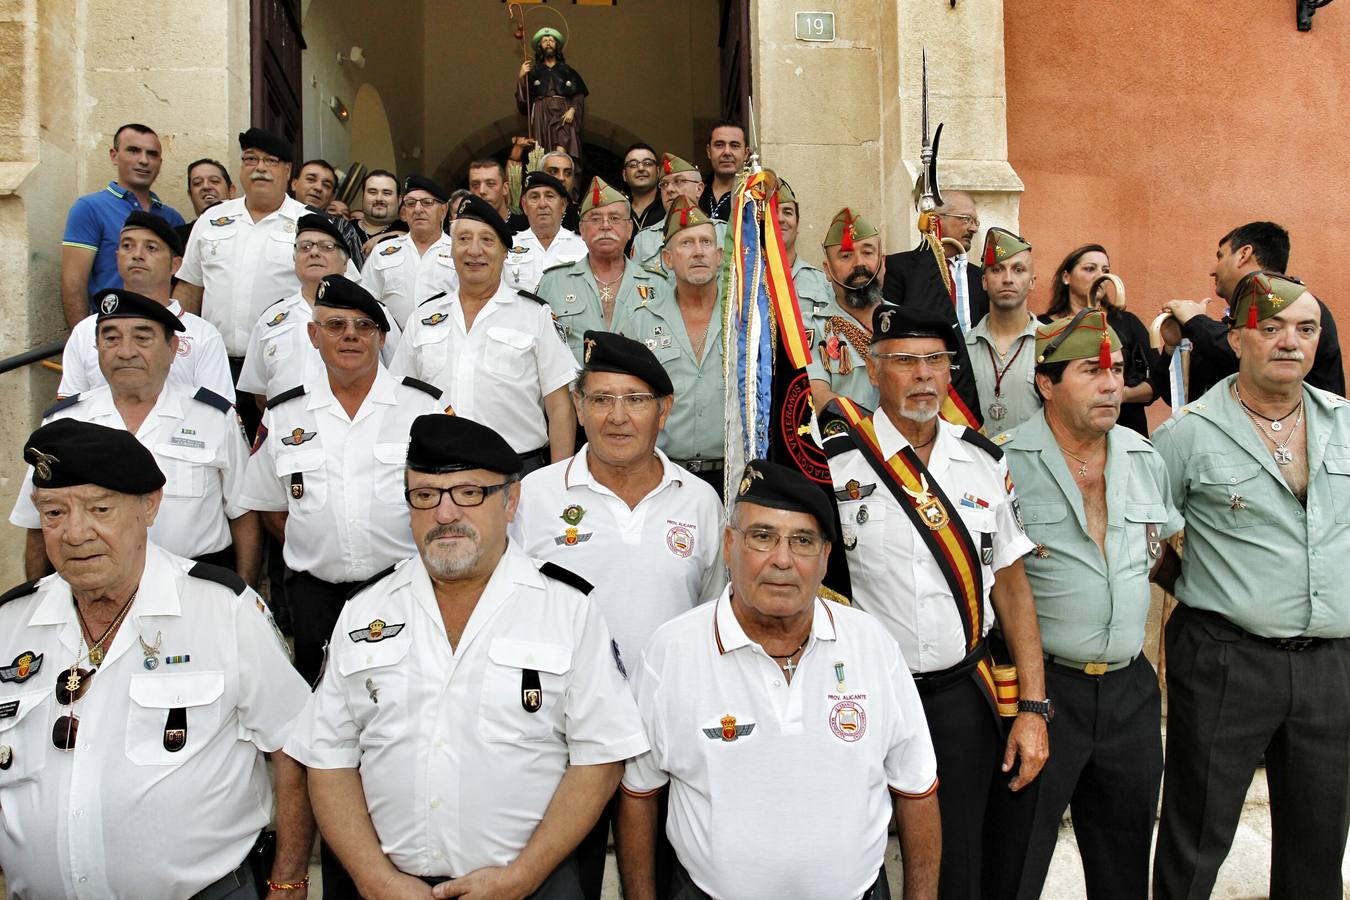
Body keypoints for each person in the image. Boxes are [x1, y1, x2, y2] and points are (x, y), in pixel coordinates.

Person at [285, 412, 647, 898]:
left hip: (530, 885)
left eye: (469, 493)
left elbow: (601, 758)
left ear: (511, 500)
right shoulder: (362, 611)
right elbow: (328, 756)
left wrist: (523, 876)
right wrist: (375, 879)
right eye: (426, 496)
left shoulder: (567, 609)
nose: (446, 514)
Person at [0, 419, 313, 899]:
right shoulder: (11, 624)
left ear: (150, 505)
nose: (75, 532)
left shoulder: (220, 609)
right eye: (54, 512)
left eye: (99, 508)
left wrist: (289, 881)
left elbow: (294, 746)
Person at [617, 458, 941, 900]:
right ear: (730, 544)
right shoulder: (671, 652)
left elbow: (916, 789)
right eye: (763, 537)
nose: (782, 560)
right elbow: (638, 794)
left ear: (826, 558)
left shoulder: (872, 645)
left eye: (803, 541)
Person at [821, 304, 1047, 900]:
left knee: (958, 854)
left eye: (934, 361)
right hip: (860, 692)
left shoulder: (984, 462)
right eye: (903, 362)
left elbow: (1013, 587)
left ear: (951, 372)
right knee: (848, 844)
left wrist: (1034, 705)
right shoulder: (833, 462)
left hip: (956, 695)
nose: (922, 376)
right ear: (873, 371)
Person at [1151, 271, 1350, 899]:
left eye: (1306, 329)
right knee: (1196, 835)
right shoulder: (1186, 435)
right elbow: (1148, 539)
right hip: (1226, 658)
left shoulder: (1345, 425)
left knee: (1319, 845)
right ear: (1236, 339)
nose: (1290, 341)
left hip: (1330, 667)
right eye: (1272, 328)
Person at [513, 330, 725, 900]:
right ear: (577, 408)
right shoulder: (533, 496)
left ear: (665, 410)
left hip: (666, 735)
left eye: (635, 400)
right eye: (601, 399)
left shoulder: (699, 501)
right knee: (558, 883)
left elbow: (710, 616)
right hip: (557, 736)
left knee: (658, 881)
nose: (617, 416)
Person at [987, 308, 1182, 900]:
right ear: (1045, 384)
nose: (1110, 384)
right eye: (1089, 371)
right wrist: (1030, 702)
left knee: (1124, 868)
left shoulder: (1144, 456)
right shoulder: (1000, 462)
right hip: (1042, 691)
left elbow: (1162, 555)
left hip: (1129, 691)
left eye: (1118, 370)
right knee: (1014, 865)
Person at [239, 274, 442, 685]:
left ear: (382, 338)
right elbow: (271, 507)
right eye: (336, 325)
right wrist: (321, 546)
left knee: (411, 693)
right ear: (314, 335)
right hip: (316, 595)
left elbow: (448, 499)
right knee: (318, 696)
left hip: (406, 588)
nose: (351, 336)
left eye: (364, 326)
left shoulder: (424, 408)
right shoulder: (283, 416)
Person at [13, 289, 258, 582]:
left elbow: (243, 514)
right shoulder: (64, 422)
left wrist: (244, 591)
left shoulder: (215, 418)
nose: (125, 351)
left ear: (172, 348)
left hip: (195, 582)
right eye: (111, 338)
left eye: (142, 338)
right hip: (92, 586)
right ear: (97, 347)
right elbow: (37, 522)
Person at [390, 195, 579, 471]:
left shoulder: (534, 315)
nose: (474, 251)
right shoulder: (422, 318)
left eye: (487, 241)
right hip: (438, 472)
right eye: (464, 239)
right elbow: (401, 398)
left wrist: (558, 482)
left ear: (505, 252)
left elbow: (560, 406)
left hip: (517, 472)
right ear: (451, 249)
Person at [1158, 221, 1345, 401]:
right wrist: (1173, 346)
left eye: (1220, 256)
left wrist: (1196, 321)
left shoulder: (1300, 306)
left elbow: (1251, 356)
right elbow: (1181, 395)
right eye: (1271, 329)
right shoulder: (1230, 322)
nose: (1212, 270)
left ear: (1244, 254)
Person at [59, 210, 234, 402]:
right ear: (117, 256)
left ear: (175, 265)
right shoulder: (85, 331)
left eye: (151, 248)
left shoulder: (203, 335)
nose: (137, 255)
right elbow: (69, 411)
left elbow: (215, 416)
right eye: (127, 246)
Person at [173, 128, 310, 365]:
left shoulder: (310, 223)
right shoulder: (211, 219)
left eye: (271, 161)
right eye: (250, 159)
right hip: (214, 362)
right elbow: (189, 290)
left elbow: (333, 294)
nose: (260, 168)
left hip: (286, 362)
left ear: (287, 171)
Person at [620, 198, 725, 493]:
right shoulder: (641, 320)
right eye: (686, 243)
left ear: (719, 256)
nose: (698, 252)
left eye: (706, 242)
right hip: (662, 473)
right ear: (667, 259)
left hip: (732, 473)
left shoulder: (743, 320)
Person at [239, 213, 401, 404]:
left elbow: (398, 375)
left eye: (326, 247)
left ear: (345, 261)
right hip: (292, 429)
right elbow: (260, 393)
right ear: (294, 258)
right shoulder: (271, 318)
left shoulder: (375, 312)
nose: (313, 253)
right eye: (304, 247)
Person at [61, 123, 185, 327]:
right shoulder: (89, 208)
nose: (143, 160)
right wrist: (85, 341)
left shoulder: (172, 219)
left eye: (152, 154)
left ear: (160, 163)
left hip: (161, 333)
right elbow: (73, 284)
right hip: (108, 328)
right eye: (133, 150)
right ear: (114, 155)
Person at [538, 177, 669, 361]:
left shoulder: (659, 285)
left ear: (629, 228)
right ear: (582, 230)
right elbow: (540, 350)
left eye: (615, 218)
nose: (605, 226)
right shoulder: (553, 283)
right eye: (595, 219)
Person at [1040, 244, 1157, 435]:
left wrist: (1119, 394)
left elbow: (1157, 382)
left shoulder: (1127, 322)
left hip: (1125, 431)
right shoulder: (1045, 328)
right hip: (1065, 434)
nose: (1100, 276)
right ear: (1066, 277)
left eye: (1105, 270)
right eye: (1090, 269)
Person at [882, 190, 989, 336]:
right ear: (937, 219)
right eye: (966, 219)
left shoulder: (979, 277)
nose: (974, 228)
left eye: (975, 222)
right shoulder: (897, 268)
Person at [966, 228, 1039, 433]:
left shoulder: (1052, 344)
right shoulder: (962, 347)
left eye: (1018, 270)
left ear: (1032, 281)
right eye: (997, 269)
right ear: (984, 281)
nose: (1008, 279)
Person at [360, 174, 458, 327]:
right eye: (411, 203)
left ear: (444, 211)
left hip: (445, 345)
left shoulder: (460, 252)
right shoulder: (382, 251)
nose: (418, 209)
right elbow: (365, 303)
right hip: (393, 346)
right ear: (404, 212)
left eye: (427, 203)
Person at [629, 154, 725, 271]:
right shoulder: (644, 239)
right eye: (664, 184)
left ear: (699, 189)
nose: (669, 189)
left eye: (679, 181)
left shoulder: (724, 231)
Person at [507, 170, 587, 292]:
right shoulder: (507, 245)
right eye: (534, 197)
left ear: (563, 205)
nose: (542, 204)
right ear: (524, 205)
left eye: (549, 196)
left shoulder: (584, 245)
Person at [517, 27, 588, 161]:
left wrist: (572, 110)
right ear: (540, 46)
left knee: (563, 145)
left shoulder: (567, 71)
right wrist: (521, 78)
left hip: (563, 112)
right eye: (544, 41)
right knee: (543, 151)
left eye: (551, 40)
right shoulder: (534, 72)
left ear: (557, 45)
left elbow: (578, 94)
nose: (548, 43)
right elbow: (524, 103)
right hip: (541, 114)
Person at [289, 158, 365, 264]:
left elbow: (356, 276)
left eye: (326, 185)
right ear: (294, 184)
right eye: (311, 179)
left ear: (332, 196)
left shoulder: (344, 228)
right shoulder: (274, 216)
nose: (318, 188)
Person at [773, 178, 833, 315]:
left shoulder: (823, 282)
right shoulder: (749, 281)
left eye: (787, 212)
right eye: (773, 212)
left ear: (798, 224)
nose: (780, 219)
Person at [177, 157, 235, 247]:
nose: (206, 186)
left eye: (214, 181)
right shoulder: (177, 238)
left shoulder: (248, 230)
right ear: (190, 195)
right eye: (197, 183)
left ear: (231, 191)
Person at [699, 120, 749, 222]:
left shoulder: (754, 197)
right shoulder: (696, 194)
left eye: (734, 145)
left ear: (746, 153)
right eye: (719, 145)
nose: (727, 152)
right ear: (709, 151)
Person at [622, 142, 664, 238]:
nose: (641, 168)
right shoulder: (618, 211)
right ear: (624, 175)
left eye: (648, 163)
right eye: (633, 165)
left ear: (658, 171)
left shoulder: (669, 206)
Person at [354, 168, 401, 245]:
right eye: (372, 192)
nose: (379, 198)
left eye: (387, 193)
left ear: (399, 200)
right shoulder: (344, 230)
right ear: (363, 197)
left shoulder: (411, 231)